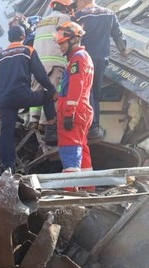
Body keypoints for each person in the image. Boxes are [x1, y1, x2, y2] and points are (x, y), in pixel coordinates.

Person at [0, 25, 57, 175]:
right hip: (23, 96)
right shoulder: (28, 50)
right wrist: (53, 90)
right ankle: (52, 132)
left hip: (5, 100)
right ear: (23, 36)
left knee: (6, 133)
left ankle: (8, 166)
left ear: (9, 38)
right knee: (47, 96)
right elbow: (40, 74)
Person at [74, 0, 128, 142]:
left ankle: (91, 127)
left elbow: (72, 38)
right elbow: (119, 38)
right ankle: (95, 128)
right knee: (95, 94)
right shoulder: (110, 14)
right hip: (102, 60)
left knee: (86, 92)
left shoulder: (79, 15)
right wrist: (123, 50)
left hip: (84, 59)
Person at [28, 0, 73, 144]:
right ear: (66, 8)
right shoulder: (65, 19)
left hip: (37, 63)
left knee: (37, 92)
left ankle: (33, 119)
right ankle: (46, 124)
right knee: (53, 94)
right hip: (55, 62)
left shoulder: (41, 21)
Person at [55, 22, 95, 180]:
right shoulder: (83, 57)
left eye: (63, 43)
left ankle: (71, 191)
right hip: (82, 109)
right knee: (81, 149)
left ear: (73, 40)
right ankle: (88, 187)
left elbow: (76, 86)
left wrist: (69, 113)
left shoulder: (77, 59)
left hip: (73, 110)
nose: (60, 47)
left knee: (69, 150)